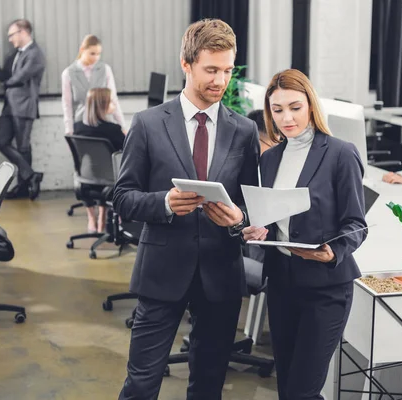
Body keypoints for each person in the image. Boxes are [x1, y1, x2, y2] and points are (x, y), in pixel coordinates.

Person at [114, 19, 259, 399]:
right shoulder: (147, 124)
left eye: (227, 70)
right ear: (186, 64)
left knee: (209, 383)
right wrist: (163, 202)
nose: (221, 80)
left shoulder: (243, 131)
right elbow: (122, 196)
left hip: (221, 272)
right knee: (142, 382)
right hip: (162, 272)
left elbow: (252, 204)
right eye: (211, 69)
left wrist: (239, 218)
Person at [242, 69, 367, 400]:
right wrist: (260, 229)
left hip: (326, 288)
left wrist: (332, 250)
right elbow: (274, 218)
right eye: (277, 109)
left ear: (311, 105)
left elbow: (357, 223)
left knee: (301, 390)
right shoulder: (269, 159)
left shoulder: (341, 153)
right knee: (289, 389)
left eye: (294, 107)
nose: (286, 117)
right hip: (282, 284)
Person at [0, 19, 46, 200]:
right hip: (10, 105)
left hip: (24, 106)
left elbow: (19, 78)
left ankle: (22, 187)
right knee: (1, 142)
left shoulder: (35, 54)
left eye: (12, 35)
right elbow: (6, 77)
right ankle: (31, 175)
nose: (10, 39)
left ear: (23, 32)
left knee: (22, 147)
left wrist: (6, 83)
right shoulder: (15, 55)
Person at [74, 87, 125, 233]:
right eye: (111, 102)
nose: (114, 105)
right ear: (103, 105)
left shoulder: (78, 128)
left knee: (99, 168)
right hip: (110, 181)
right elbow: (128, 152)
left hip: (85, 180)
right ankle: (115, 217)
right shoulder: (113, 130)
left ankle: (96, 218)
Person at [62, 34, 125, 136]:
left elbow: (113, 99)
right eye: (92, 53)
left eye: (98, 54)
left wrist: (123, 126)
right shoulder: (68, 73)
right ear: (82, 49)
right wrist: (69, 130)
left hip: (104, 124)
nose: (96, 57)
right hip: (81, 126)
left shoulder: (105, 69)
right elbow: (67, 105)